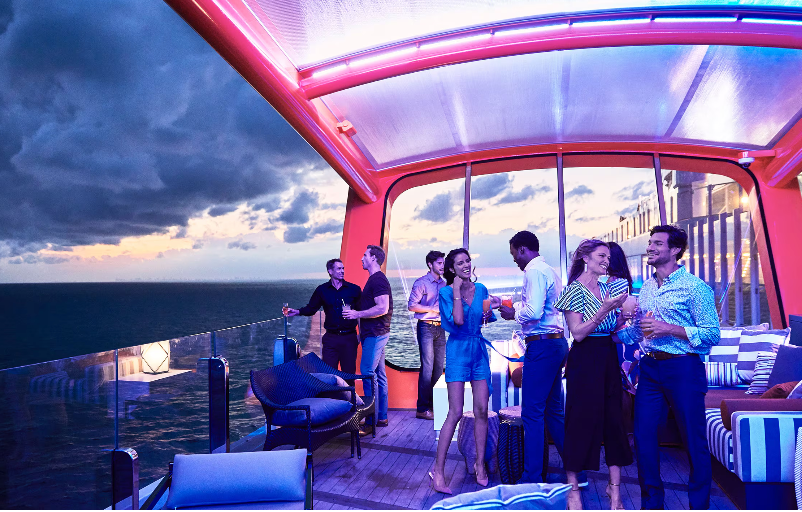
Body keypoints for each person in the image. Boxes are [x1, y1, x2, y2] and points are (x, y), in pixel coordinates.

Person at [617, 225, 720, 510]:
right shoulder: (647, 287)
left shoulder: (696, 288)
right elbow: (641, 331)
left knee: (693, 440)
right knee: (643, 437)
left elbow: (711, 335)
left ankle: (698, 505)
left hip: (684, 369)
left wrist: (669, 328)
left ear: (674, 250)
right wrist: (615, 332)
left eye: (657, 243)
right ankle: (652, 504)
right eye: (650, 242)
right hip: (649, 370)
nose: (650, 247)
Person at [554, 240, 631, 510]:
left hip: (608, 356)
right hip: (584, 359)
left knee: (613, 421)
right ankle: (572, 490)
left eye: (608, 257)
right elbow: (577, 333)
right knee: (580, 421)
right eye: (601, 256)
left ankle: (615, 491)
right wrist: (604, 310)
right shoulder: (574, 290)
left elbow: (614, 327)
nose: (606, 261)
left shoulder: (608, 288)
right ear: (585, 258)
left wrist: (627, 317)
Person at [498, 230, 573, 484]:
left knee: (532, 412)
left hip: (541, 348)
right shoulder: (549, 270)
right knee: (553, 411)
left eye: (514, 255)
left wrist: (512, 314)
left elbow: (533, 310)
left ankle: (531, 478)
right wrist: (513, 306)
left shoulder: (532, 270)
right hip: (557, 344)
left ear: (522, 249)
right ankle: (576, 472)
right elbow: (545, 307)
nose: (515, 261)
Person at [429, 248, 498, 494]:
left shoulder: (481, 290)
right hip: (458, 351)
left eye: (468, 260)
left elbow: (486, 319)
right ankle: (438, 472)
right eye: (460, 263)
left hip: (478, 350)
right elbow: (457, 320)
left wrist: (490, 314)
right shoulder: (446, 292)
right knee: (455, 412)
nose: (466, 265)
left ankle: (480, 465)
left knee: (481, 409)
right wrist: (457, 290)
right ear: (452, 269)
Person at [342, 245, 393, 435]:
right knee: (379, 375)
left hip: (375, 334)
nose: (361, 258)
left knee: (367, 373)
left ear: (373, 258)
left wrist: (356, 313)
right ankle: (381, 417)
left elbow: (382, 308)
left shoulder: (378, 280)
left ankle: (370, 422)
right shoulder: (374, 279)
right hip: (374, 333)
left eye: (364, 255)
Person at [285, 259, 361, 383]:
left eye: (343, 268)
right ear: (330, 271)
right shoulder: (322, 290)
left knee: (349, 375)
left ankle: (350, 402)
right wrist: (297, 312)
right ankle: (333, 401)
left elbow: (360, 314)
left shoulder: (354, 290)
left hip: (349, 338)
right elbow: (311, 309)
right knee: (329, 376)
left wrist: (361, 335)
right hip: (330, 339)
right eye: (339, 269)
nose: (342, 271)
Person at [408, 250, 447, 421]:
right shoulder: (421, 283)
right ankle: (422, 408)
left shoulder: (444, 283)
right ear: (430, 264)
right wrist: (431, 309)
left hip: (441, 328)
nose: (442, 265)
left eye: (443, 262)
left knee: (439, 369)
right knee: (427, 368)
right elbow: (412, 306)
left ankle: (434, 406)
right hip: (425, 327)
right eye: (439, 263)